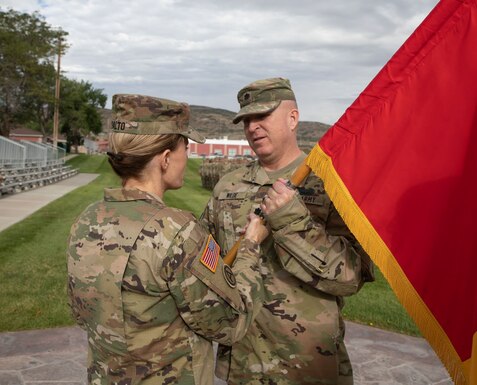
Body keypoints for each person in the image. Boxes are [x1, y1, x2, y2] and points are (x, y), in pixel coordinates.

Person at [67, 94, 269, 385]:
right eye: (185, 146)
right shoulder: (175, 230)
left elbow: (81, 311)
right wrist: (250, 244)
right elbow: (231, 321)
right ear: (165, 159)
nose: (187, 156)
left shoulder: (87, 219)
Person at [201, 78, 374, 385]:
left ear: (293, 118)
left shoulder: (330, 184)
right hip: (244, 363)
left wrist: (292, 222)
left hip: (306, 364)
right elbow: (207, 257)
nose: (252, 127)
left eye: (262, 116)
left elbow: (351, 277)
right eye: (246, 120)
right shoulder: (228, 186)